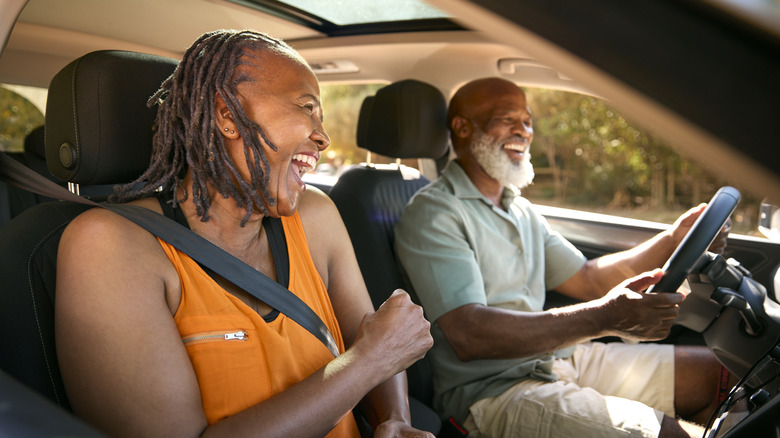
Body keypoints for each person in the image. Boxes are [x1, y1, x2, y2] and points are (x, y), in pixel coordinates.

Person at [55, 30, 433, 438]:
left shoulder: (315, 217)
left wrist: (394, 420)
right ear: (228, 116)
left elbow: (371, 334)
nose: (322, 137)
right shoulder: (110, 245)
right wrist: (368, 361)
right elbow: (375, 351)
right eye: (307, 107)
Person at [394, 77, 731, 438]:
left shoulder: (519, 208)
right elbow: (470, 334)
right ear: (462, 127)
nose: (523, 131)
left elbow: (588, 278)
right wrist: (605, 318)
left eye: (527, 121)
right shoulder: (435, 213)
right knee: (666, 434)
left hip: (557, 358)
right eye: (508, 119)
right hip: (493, 393)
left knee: (718, 374)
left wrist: (672, 238)